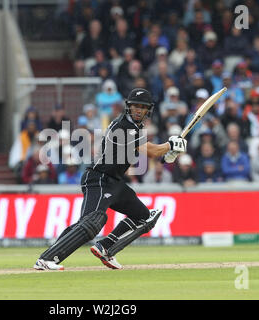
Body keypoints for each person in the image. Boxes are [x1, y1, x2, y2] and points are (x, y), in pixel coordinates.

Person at [33, 88, 187, 270]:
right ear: (128, 107)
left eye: (142, 107)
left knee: (144, 217)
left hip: (115, 183)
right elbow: (151, 150)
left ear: (148, 110)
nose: (138, 110)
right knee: (92, 221)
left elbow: (150, 153)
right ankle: (47, 259)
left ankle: (106, 248)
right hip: (99, 180)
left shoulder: (136, 129)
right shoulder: (123, 126)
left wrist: (169, 153)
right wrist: (170, 145)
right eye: (135, 106)